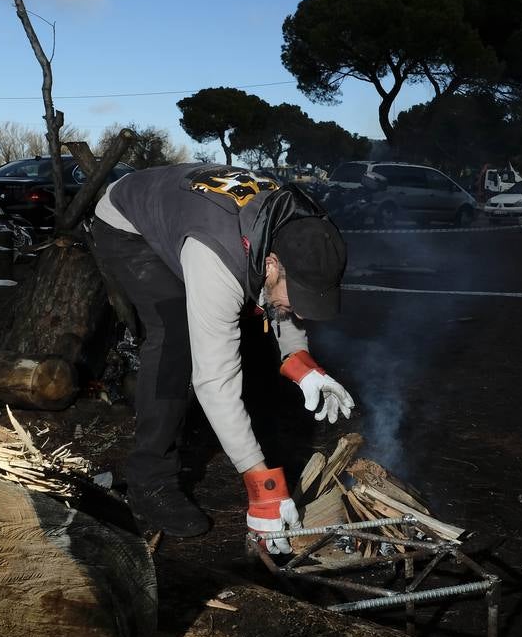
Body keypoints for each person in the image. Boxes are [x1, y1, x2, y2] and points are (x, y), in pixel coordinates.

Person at [89, 163, 355, 548]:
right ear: (271, 264)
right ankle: (150, 482)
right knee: (174, 339)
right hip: (127, 224)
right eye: (298, 299)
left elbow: (280, 303)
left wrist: (300, 361)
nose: (300, 311)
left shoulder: (297, 227)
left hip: (196, 217)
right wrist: (261, 483)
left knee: (251, 315)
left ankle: (198, 440)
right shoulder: (214, 255)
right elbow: (214, 381)